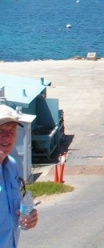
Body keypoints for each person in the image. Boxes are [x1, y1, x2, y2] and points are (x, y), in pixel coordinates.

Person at [0, 105, 38, 247]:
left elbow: (14, 213)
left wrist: (28, 218)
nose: (7, 136)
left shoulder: (12, 166)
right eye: (1, 130)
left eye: (12, 130)